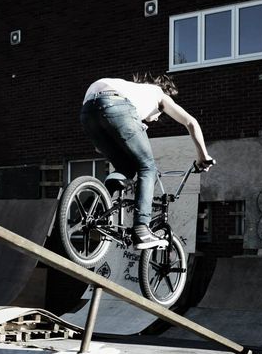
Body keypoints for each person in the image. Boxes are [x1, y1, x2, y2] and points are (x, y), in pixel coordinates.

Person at [79, 73, 215, 250]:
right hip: (115, 105)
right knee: (148, 167)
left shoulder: (134, 90)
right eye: (159, 115)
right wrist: (203, 156)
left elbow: (102, 142)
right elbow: (191, 122)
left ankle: (98, 208)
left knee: (125, 168)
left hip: (88, 111)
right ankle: (142, 228)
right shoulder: (159, 94)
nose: (156, 118)